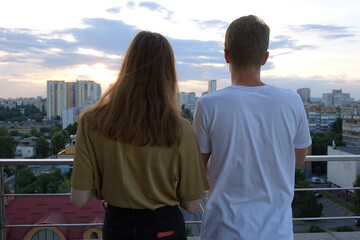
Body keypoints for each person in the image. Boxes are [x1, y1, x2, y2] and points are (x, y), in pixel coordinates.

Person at [70, 31, 209, 240]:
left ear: (127, 67)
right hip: (165, 229)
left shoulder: (91, 122)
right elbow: (192, 205)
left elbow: (79, 198)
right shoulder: (180, 129)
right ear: (168, 73)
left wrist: (108, 178)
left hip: (117, 227)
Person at [193, 15, 312, 240]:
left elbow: (198, 168)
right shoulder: (292, 101)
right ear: (265, 58)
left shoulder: (208, 104)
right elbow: (299, 158)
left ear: (226, 55)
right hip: (277, 232)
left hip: (223, 230)